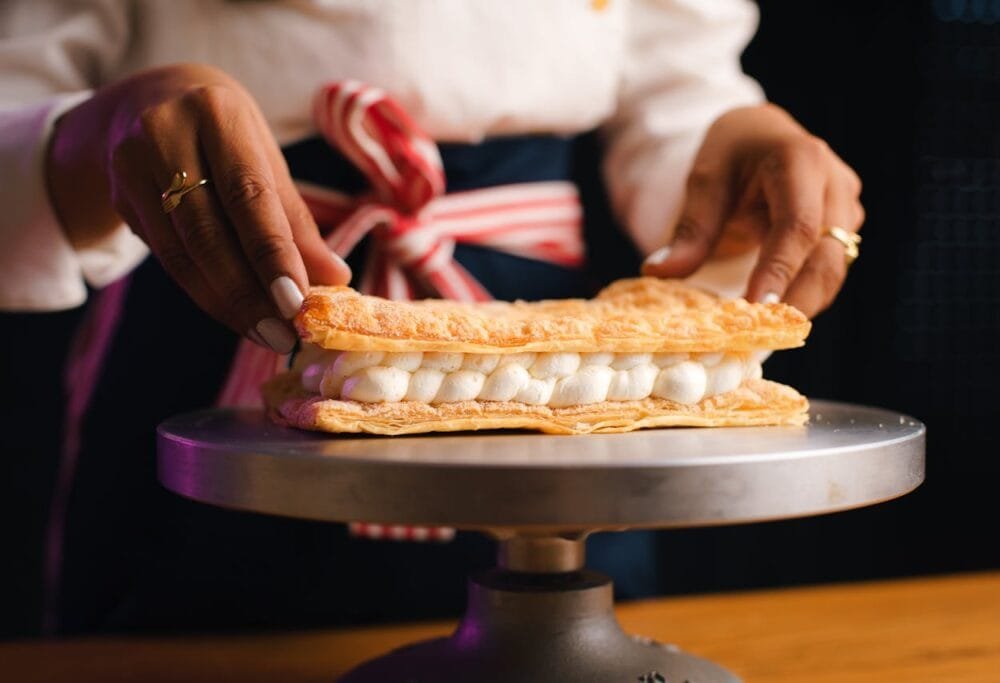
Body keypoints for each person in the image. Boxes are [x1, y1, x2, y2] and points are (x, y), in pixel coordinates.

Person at [0, 1, 864, 634]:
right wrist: (104, 132)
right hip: (227, 285)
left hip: (554, 379)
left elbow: (677, 97)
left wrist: (740, 153)